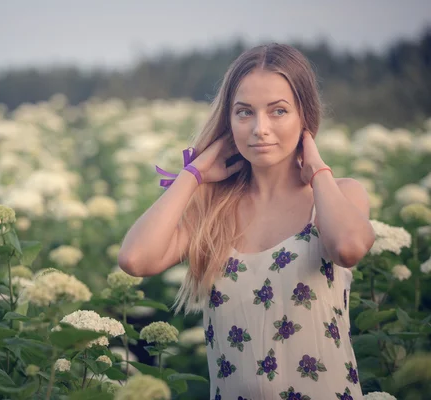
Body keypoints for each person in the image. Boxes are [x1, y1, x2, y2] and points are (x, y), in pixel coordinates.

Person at [118, 43, 375, 399]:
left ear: (305, 117)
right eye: (244, 113)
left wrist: (318, 171)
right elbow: (135, 259)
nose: (260, 128)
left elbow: (348, 248)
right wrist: (193, 174)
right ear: (228, 122)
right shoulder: (213, 211)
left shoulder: (338, 195)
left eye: (278, 111)